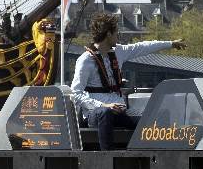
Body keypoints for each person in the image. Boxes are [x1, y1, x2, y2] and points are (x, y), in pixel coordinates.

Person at [70, 12, 185, 150]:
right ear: (108, 34)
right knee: (105, 113)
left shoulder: (118, 52)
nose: (118, 36)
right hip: (95, 115)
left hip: (118, 112)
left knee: (155, 117)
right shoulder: (85, 60)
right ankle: (108, 157)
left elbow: (143, 47)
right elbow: (75, 94)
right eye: (116, 33)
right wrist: (104, 105)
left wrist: (171, 44)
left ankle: (157, 154)